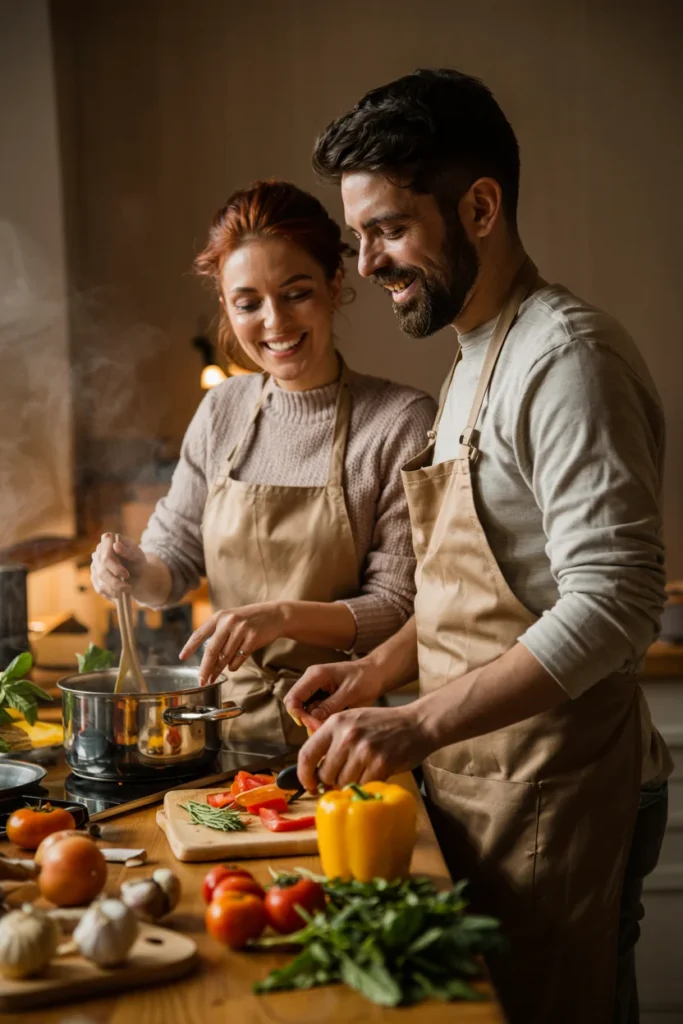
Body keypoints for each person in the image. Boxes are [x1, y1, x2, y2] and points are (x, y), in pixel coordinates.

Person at [285, 70, 672, 1024]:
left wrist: (415, 724)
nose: (367, 262)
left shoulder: (566, 358)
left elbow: (614, 603)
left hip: (555, 789)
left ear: (481, 206)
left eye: (388, 228)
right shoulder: (473, 357)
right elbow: (480, 585)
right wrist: (380, 670)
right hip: (482, 779)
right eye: (360, 233)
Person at [90, 179, 436, 752]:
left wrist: (280, 617)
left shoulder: (399, 420)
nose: (274, 322)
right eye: (248, 303)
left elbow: (398, 606)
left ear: (334, 286)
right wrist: (130, 569)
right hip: (220, 734)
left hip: (344, 734)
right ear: (227, 307)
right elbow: (171, 568)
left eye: (296, 293)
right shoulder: (221, 410)